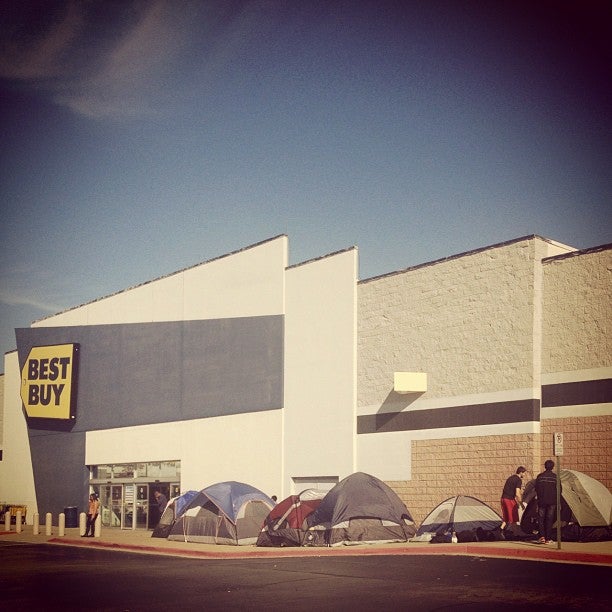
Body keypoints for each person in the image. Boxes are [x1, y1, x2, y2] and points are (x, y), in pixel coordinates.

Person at [535, 459, 560, 544]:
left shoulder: (539, 477)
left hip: (541, 501)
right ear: (553, 467)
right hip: (552, 502)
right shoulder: (555, 477)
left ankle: (542, 537)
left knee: (541, 519)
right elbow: (559, 490)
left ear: (545, 466)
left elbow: (536, 489)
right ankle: (548, 539)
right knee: (549, 519)